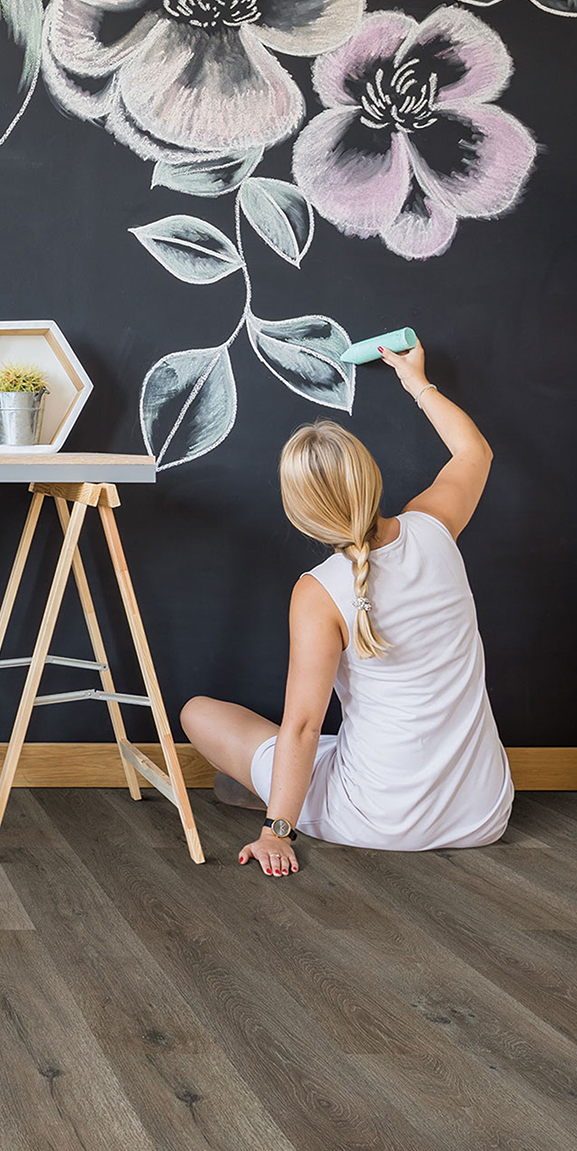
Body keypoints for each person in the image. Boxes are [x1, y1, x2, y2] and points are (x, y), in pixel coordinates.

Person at [180, 341, 512, 877]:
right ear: (370, 476)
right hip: (483, 813)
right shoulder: (435, 531)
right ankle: (277, 786)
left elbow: (304, 725)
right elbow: (474, 452)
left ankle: (277, 798)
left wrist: (276, 834)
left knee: (198, 712)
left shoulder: (319, 591)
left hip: (376, 818)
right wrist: (415, 381)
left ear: (299, 513)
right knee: (339, 740)